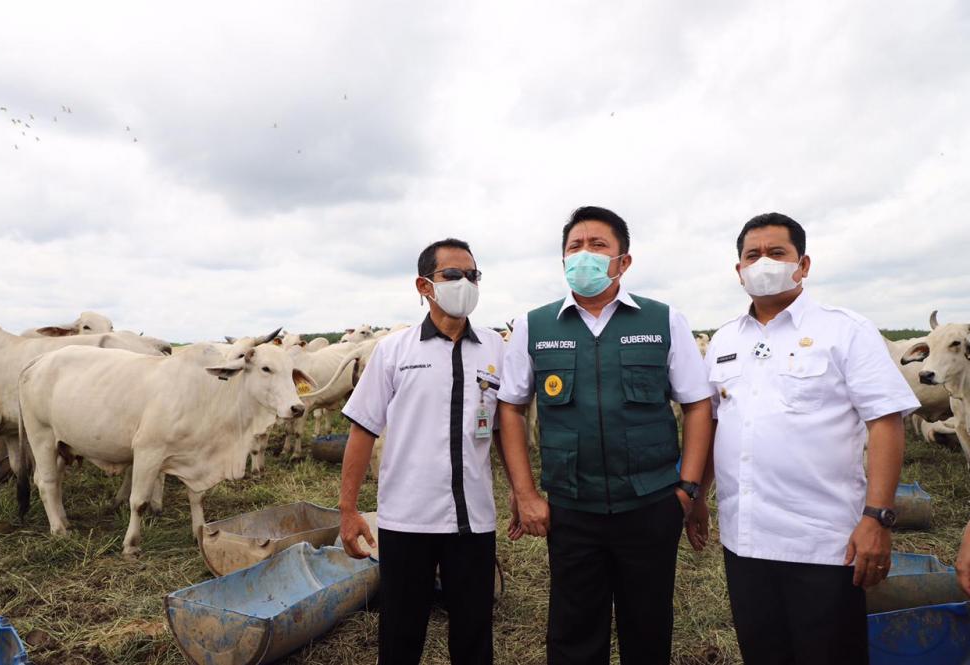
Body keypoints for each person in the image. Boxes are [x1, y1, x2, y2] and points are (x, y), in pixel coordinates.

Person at [695, 212, 920, 665]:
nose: (763, 263)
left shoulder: (845, 330)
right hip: (746, 539)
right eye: (752, 255)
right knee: (764, 652)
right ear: (738, 270)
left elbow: (885, 422)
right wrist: (699, 495)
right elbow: (715, 424)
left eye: (777, 253)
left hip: (825, 543)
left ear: (804, 264)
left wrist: (877, 517)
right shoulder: (723, 341)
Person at [497, 206, 713, 665]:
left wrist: (688, 488)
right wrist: (526, 493)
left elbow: (697, 406)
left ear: (623, 261)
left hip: (651, 504)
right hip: (572, 508)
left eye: (598, 246)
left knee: (648, 626)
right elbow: (511, 410)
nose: (585, 256)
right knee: (573, 631)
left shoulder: (663, 320)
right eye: (575, 247)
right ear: (562, 260)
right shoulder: (534, 326)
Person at [337, 238, 506, 665]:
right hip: (407, 520)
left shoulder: (495, 349)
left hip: (474, 520)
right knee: (401, 631)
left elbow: (507, 431)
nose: (465, 283)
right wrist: (348, 509)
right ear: (424, 286)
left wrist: (522, 496)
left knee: (473, 633)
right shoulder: (395, 351)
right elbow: (363, 429)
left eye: (472, 275)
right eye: (452, 275)